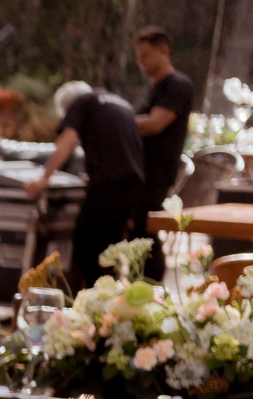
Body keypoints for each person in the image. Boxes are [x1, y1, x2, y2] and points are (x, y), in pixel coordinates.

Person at [27, 80, 149, 289]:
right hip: (134, 183)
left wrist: (43, 178)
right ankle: (108, 303)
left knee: (86, 246)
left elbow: (67, 140)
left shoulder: (81, 103)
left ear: (66, 108)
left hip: (110, 185)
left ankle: (89, 302)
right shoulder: (119, 103)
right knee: (111, 249)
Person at [132, 24, 193, 280]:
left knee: (146, 229)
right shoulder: (151, 87)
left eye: (145, 55)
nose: (140, 62)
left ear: (163, 51)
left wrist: (117, 122)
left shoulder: (177, 86)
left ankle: (154, 285)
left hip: (155, 173)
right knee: (136, 230)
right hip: (137, 170)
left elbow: (155, 123)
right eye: (138, 56)